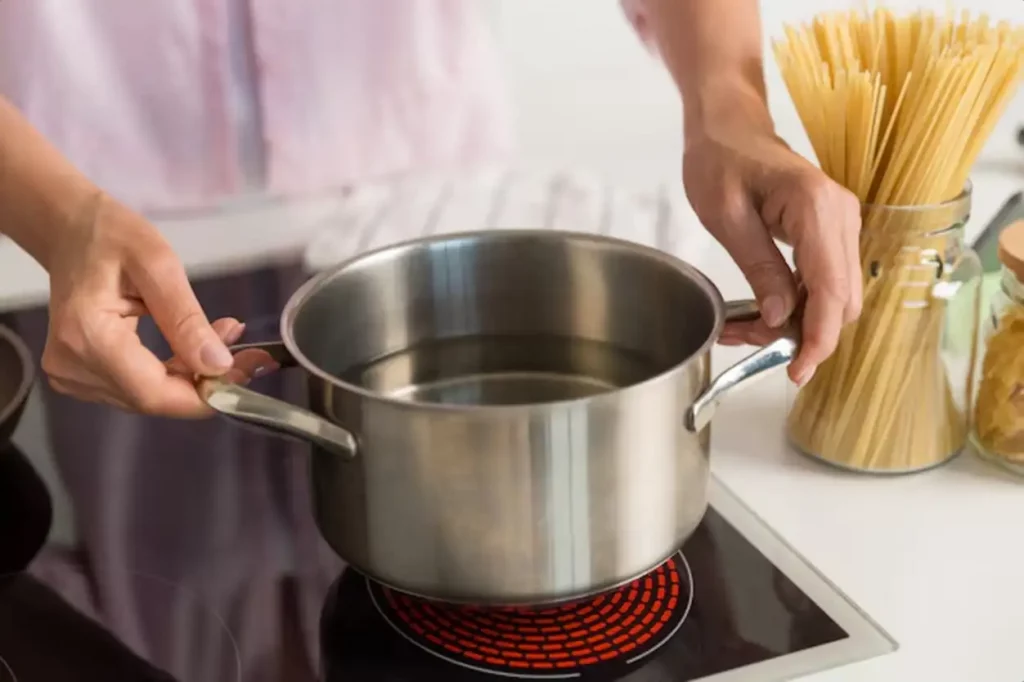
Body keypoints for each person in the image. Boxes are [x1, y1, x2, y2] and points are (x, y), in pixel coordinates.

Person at [0, 1, 861, 677]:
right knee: (161, 587)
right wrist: (60, 215)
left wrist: (731, 111)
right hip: (99, 213)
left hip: (414, 186)